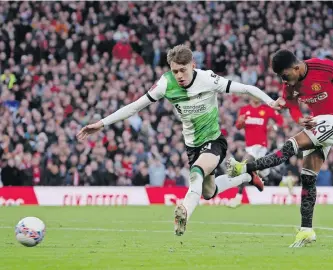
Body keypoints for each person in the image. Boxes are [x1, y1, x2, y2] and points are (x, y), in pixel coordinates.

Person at [77, 44, 279, 236]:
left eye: (183, 70)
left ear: (193, 65)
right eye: (175, 71)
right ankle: (246, 177)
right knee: (209, 192)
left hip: (214, 141)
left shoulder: (208, 79)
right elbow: (134, 107)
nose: (179, 76)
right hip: (192, 145)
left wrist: (271, 102)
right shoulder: (165, 84)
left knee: (196, 172)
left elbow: (246, 88)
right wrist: (101, 123)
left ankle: (184, 212)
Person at [227, 49, 333, 247]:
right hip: (317, 124)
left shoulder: (324, 67)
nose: (283, 80)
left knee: (291, 145)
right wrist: (299, 119)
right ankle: (306, 230)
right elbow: (292, 106)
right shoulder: (289, 83)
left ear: (296, 67)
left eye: (284, 75)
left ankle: (244, 169)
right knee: (307, 177)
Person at [228, 96, 283, 208]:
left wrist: (274, 127)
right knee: (264, 172)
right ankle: (284, 180)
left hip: (260, 146)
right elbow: (238, 126)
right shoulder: (244, 110)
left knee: (243, 166)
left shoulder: (266, 109)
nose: (256, 97)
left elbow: (280, 121)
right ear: (250, 96)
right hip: (249, 146)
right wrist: (240, 122)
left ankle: (238, 197)